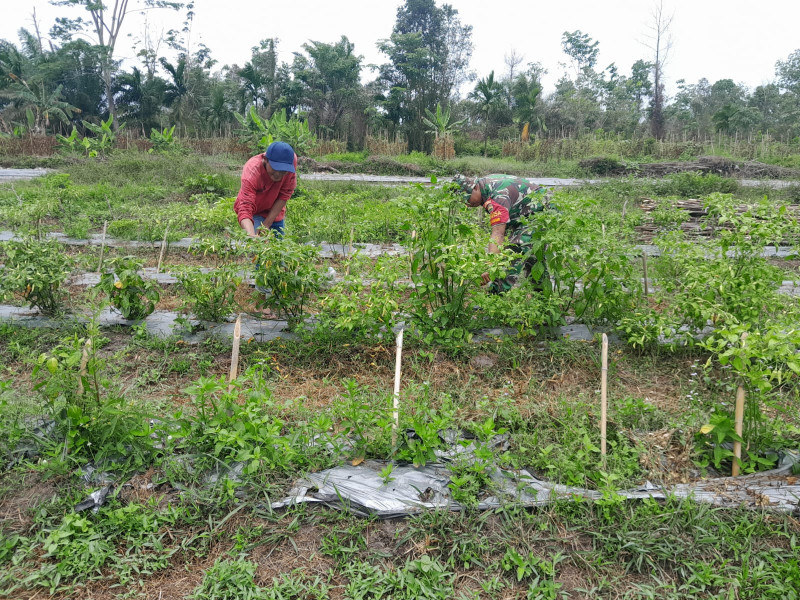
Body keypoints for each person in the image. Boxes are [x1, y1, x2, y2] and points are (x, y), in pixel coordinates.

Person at [453, 174, 553, 294]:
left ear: (475, 188)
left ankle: (495, 296)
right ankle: (542, 297)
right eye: (463, 201)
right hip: (525, 214)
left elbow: (498, 233)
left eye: (468, 198)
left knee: (514, 249)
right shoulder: (485, 186)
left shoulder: (498, 196)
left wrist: (490, 265)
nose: (467, 204)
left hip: (542, 212)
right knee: (534, 258)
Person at [234, 141, 297, 239]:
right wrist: (251, 236)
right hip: (255, 212)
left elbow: (285, 194)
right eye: (275, 168)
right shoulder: (252, 172)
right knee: (257, 246)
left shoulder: (290, 161)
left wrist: (267, 224)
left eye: (283, 171)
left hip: (274, 211)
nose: (278, 174)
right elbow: (245, 208)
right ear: (266, 160)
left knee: (278, 248)